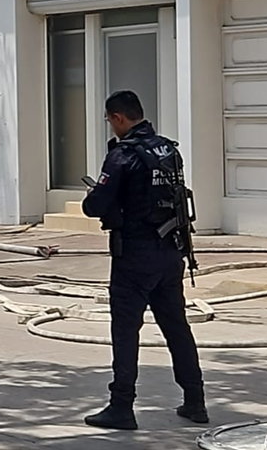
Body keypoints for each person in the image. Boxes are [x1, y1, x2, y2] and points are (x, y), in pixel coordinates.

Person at [81, 90, 207, 430]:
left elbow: (96, 206)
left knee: (125, 331)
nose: (111, 127)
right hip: (170, 252)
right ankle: (195, 400)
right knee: (176, 327)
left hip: (134, 255)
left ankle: (121, 406)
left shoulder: (123, 156)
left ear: (119, 118)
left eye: (110, 121)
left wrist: (93, 197)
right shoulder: (168, 150)